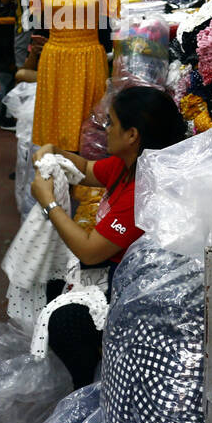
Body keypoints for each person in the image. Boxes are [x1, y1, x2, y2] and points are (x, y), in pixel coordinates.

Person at [29, 86, 186, 388]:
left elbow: (90, 252)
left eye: (112, 122)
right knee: (50, 283)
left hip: (135, 287)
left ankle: (90, 390)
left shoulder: (142, 191)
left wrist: (49, 203)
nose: (105, 129)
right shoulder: (127, 164)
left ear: (132, 135)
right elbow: (86, 169)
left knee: (66, 321)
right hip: (112, 268)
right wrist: (53, 152)